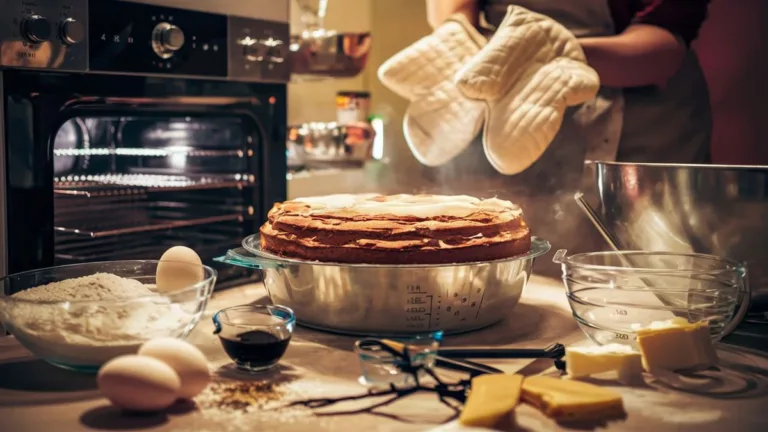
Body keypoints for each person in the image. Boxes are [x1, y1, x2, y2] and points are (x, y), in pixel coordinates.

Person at [414, 0, 712, 275]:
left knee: (650, 272)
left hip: (642, 117)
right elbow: (454, 8)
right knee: (527, 262)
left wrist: (553, 52)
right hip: (511, 100)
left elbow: (663, 42)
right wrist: (458, 34)